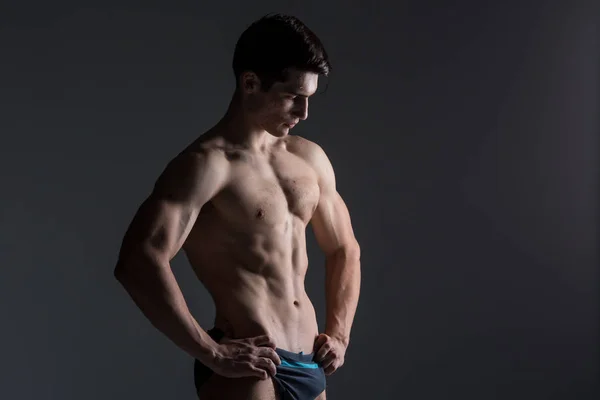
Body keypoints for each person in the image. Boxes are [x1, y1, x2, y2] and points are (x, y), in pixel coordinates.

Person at [113, 13, 361, 400]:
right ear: (250, 83)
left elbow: (344, 247)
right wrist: (210, 351)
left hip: (310, 363)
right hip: (249, 364)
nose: (304, 113)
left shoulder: (309, 159)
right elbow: (137, 259)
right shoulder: (207, 164)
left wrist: (340, 334)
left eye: (309, 98)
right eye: (293, 96)